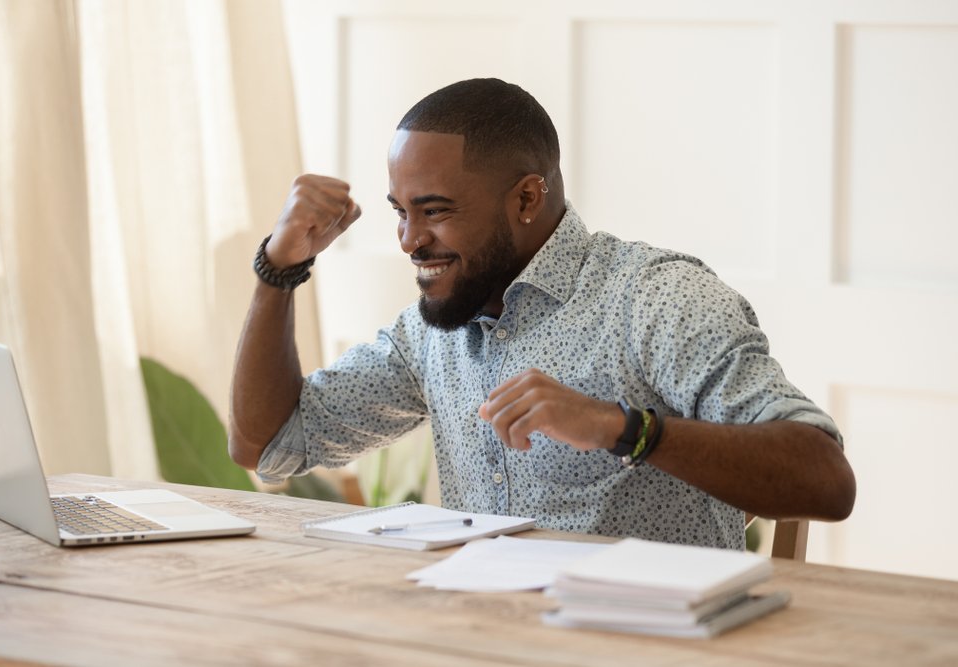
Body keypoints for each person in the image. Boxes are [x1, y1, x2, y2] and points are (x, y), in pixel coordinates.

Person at [229, 78, 855, 549]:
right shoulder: (430, 332)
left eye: (436, 211)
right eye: (400, 210)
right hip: (488, 636)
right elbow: (266, 445)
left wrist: (620, 428)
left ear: (527, 197)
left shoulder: (656, 299)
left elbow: (824, 480)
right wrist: (279, 270)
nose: (408, 240)